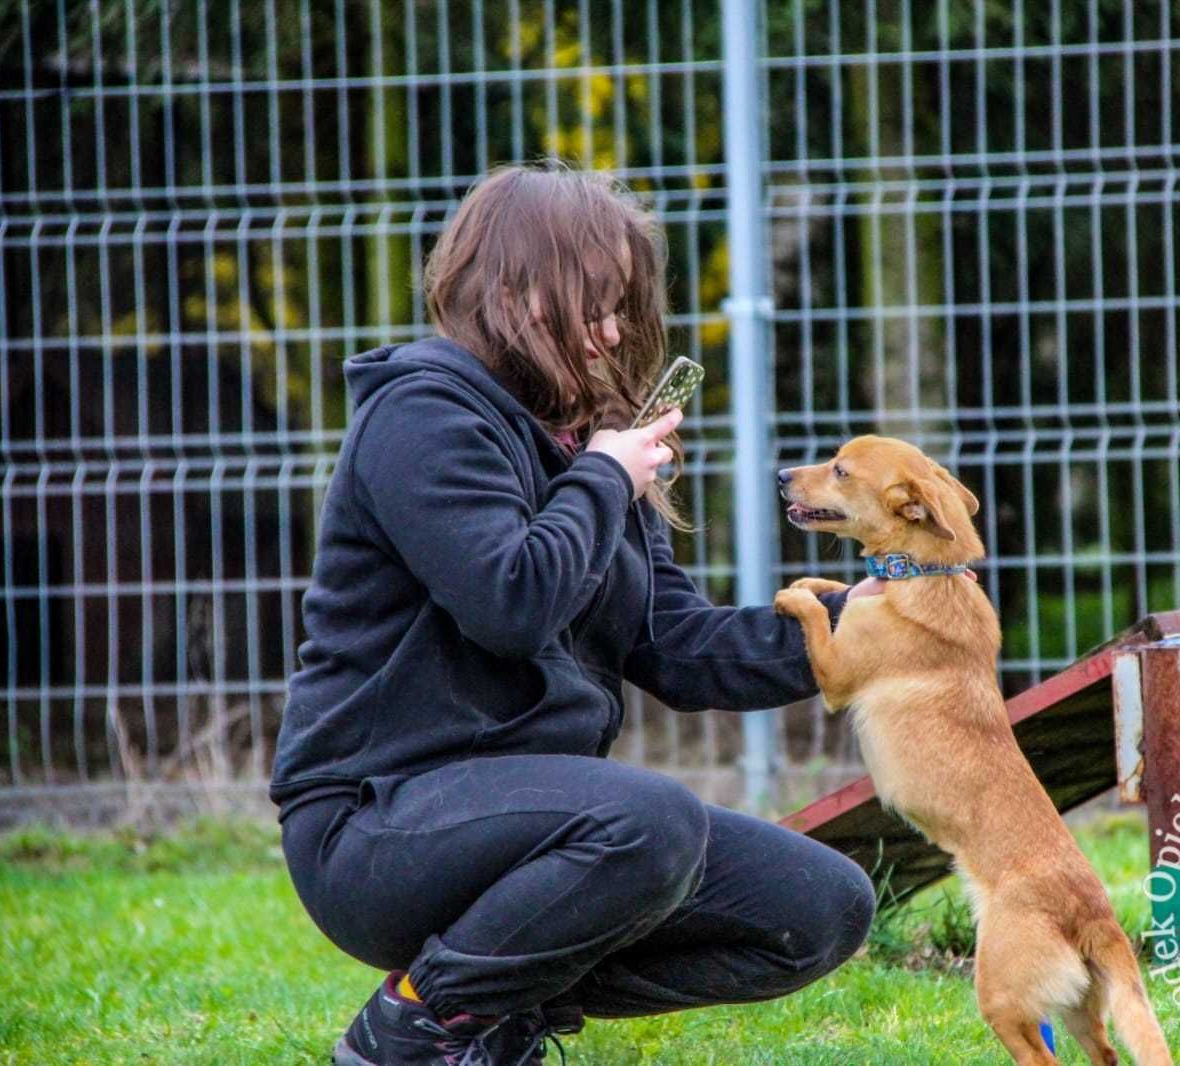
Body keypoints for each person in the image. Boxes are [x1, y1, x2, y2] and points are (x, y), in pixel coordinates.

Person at [270, 162, 879, 1066]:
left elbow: (672, 647)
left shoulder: (586, 442)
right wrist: (601, 476)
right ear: (515, 290)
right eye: (593, 302)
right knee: (650, 820)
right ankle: (415, 1027)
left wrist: (843, 627)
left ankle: (502, 1009)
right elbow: (509, 603)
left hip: (530, 824)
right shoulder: (423, 413)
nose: (611, 331)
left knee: (818, 909)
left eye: (622, 305)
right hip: (377, 823)